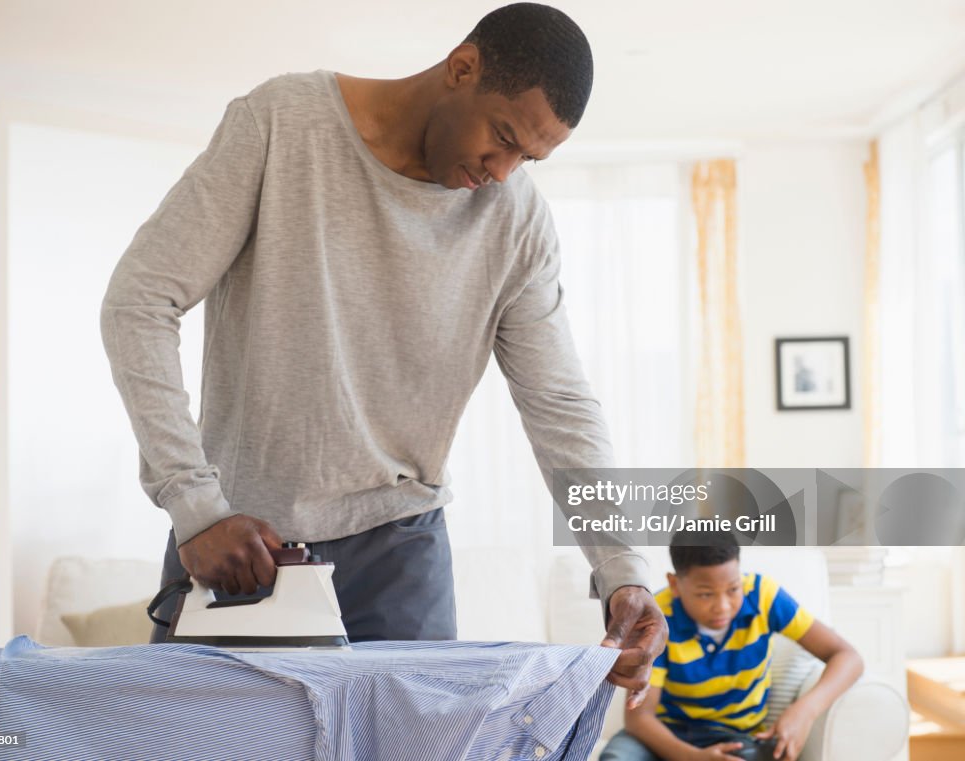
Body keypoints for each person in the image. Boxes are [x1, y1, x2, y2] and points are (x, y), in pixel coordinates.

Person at [100, 2, 665, 699]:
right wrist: (195, 507)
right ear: (463, 68)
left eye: (528, 157)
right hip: (243, 547)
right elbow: (139, 302)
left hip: (404, 549)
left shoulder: (516, 220)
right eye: (503, 137)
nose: (504, 170)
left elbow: (560, 403)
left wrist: (622, 568)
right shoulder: (282, 122)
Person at [600, 532, 863, 761]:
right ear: (675, 584)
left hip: (736, 736)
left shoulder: (763, 596)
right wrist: (691, 758)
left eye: (733, 588)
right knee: (617, 757)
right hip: (667, 733)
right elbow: (639, 719)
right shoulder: (659, 619)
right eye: (705, 594)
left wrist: (804, 712)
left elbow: (847, 657)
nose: (723, 606)